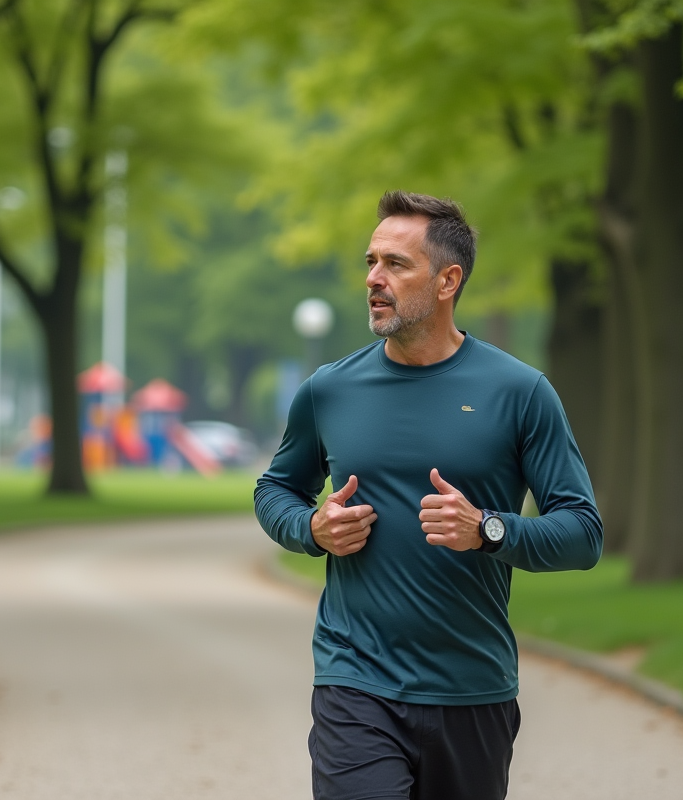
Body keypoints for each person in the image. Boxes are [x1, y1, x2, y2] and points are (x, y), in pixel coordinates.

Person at [254, 190, 602, 800]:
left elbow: (582, 533)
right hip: (355, 681)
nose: (374, 279)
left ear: (448, 280)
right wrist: (310, 529)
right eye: (370, 262)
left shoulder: (520, 393)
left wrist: (488, 530)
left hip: (471, 689)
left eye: (395, 264)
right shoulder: (330, 390)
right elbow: (276, 488)